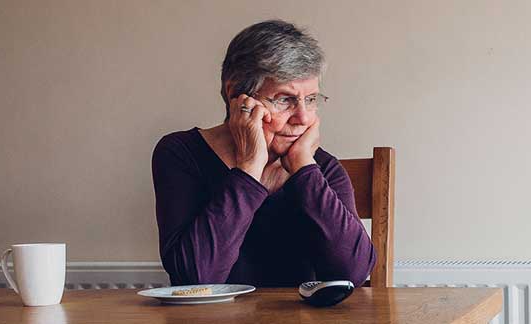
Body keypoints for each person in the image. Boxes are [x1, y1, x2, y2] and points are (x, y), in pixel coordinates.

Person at [151, 20, 375, 287]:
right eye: (284, 99)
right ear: (236, 95)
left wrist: (305, 168)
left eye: (311, 99)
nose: (302, 117)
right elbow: (196, 279)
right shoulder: (180, 154)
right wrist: (248, 169)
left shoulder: (322, 168)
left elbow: (354, 274)